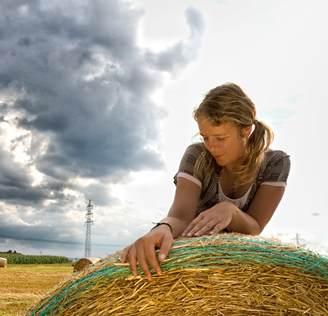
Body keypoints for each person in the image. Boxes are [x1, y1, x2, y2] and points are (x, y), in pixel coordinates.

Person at [120, 83, 290, 280]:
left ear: (246, 130)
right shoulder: (197, 155)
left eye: (220, 137)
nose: (211, 147)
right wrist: (161, 228)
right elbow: (181, 217)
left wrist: (231, 212)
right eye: (205, 137)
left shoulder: (276, 162)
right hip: (191, 265)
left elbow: (255, 226)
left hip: (239, 268)